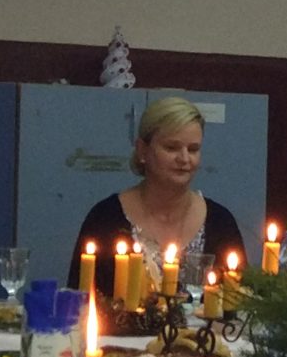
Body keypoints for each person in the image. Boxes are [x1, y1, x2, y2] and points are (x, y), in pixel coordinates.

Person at [71, 94, 247, 301]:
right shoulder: (105, 219)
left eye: (193, 149)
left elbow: (242, 302)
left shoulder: (220, 222)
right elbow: (78, 300)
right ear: (142, 150)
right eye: (171, 148)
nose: (184, 159)